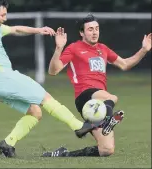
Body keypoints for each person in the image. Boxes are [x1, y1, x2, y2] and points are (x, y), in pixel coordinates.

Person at [0, 0, 103, 158]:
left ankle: (8, 143)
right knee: (46, 98)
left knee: (35, 112)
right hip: (3, 78)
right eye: (3, 15)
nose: (5, 18)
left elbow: (16, 30)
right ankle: (79, 126)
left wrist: (38, 30)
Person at [42, 14, 151, 157]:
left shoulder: (103, 49)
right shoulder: (74, 48)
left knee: (106, 150)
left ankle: (64, 154)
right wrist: (58, 48)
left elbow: (124, 64)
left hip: (101, 103)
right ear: (82, 32)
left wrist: (144, 50)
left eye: (97, 29)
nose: (94, 32)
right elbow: (53, 71)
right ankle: (107, 121)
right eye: (90, 29)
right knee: (112, 97)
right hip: (85, 95)